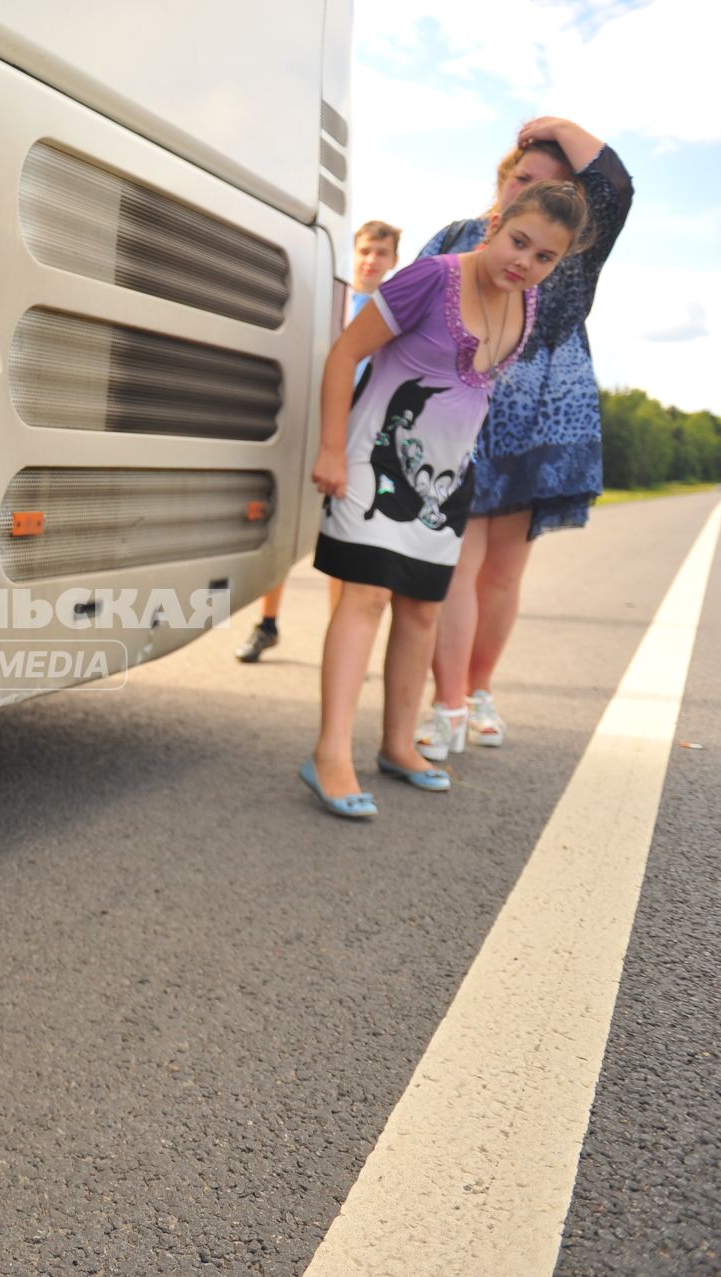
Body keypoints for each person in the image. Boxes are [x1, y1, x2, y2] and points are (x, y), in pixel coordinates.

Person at [301, 181, 591, 818]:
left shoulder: (529, 304)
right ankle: (329, 754)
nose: (525, 262)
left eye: (544, 256)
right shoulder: (429, 278)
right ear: (495, 224)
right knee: (367, 597)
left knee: (422, 613)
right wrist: (328, 449)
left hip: (447, 480)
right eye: (519, 241)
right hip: (373, 459)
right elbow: (346, 351)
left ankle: (399, 745)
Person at [413, 120, 633, 759]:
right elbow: (407, 314)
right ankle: (447, 704)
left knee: (502, 574)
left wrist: (561, 127)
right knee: (455, 566)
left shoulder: (572, 252)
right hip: (459, 411)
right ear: (503, 177)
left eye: (549, 186)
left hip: (540, 417)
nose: (527, 193)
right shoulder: (454, 236)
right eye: (522, 178)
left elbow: (614, 185)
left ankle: (479, 691)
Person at [235, 220, 401, 662]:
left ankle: (338, 641)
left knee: (341, 538)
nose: (371, 260)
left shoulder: (392, 315)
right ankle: (267, 624)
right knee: (284, 526)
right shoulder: (333, 302)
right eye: (366, 250)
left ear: (393, 261)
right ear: (355, 251)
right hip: (311, 429)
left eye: (381, 253)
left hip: (357, 440)